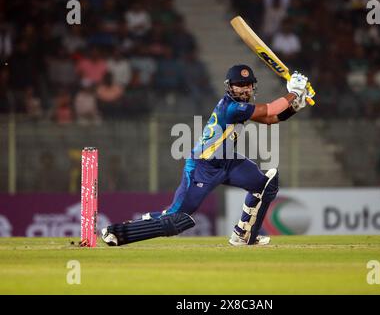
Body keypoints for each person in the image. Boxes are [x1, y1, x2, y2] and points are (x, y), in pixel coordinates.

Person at [101, 65, 315, 246]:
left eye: (247, 85)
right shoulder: (232, 108)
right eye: (239, 85)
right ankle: (119, 232)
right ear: (229, 87)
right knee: (177, 219)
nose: (244, 89)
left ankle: (244, 235)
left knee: (264, 183)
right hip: (203, 167)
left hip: (228, 160)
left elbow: (271, 120)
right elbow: (270, 109)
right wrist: (294, 93)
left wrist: (296, 106)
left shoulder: (241, 107)